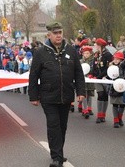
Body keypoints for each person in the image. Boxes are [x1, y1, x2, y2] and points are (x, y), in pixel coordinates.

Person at [29, 21, 85, 167]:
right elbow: (34, 75)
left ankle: (58, 153)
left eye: (60, 32)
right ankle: (56, 157)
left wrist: (81, 91)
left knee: (62, 126)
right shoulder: (41, 52)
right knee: (53, 125)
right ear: (49, 35)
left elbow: (78, 73)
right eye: (55, 33)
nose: (58, 35)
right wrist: (33, 96)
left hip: (66, 95)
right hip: (48, 96)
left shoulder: (71, 50)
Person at [89, 38, 112, 123]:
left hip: (105, 78)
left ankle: (103, 115)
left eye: (96, 45)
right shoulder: (96, 55)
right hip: (97, 78)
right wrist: (92, 73)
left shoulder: (108, 55)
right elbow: (94, 66)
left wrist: (99, 76)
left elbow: (107, 68)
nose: (95, 46)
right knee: (100, 94)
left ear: (100, 46)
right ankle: (99, 115)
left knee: (105, 96)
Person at [108, 52, 125, 128]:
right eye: (115, 58)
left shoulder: (124, 67)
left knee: (122, 104)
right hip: (113, 87)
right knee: (115, 104)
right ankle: (115, 120)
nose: (116, 60)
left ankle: (120, 118)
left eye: (118, 59)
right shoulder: (111, 67)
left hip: (121, 86)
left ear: (121, 60)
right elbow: (109, 75)